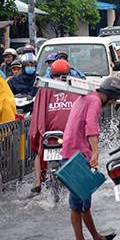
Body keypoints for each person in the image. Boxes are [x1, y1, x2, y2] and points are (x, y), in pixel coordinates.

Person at [60, 77, 120, 240]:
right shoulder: (95, 101)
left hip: (71, 152)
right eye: (114, 99)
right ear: (111, 95)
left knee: (80, 202)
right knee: (80, 202)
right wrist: (95, 153)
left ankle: (92, 239)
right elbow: (91, 127)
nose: (113, 103)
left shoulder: (88, 95)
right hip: (79, 155)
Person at [28, 60, 81, 193]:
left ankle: (38, 181)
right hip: (69, 132)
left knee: (40, 150)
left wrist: (40, 130)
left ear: (52, 73)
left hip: (49, 131)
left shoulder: (45, 87)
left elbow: (39, 113)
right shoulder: (74, 86)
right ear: (69, 72)